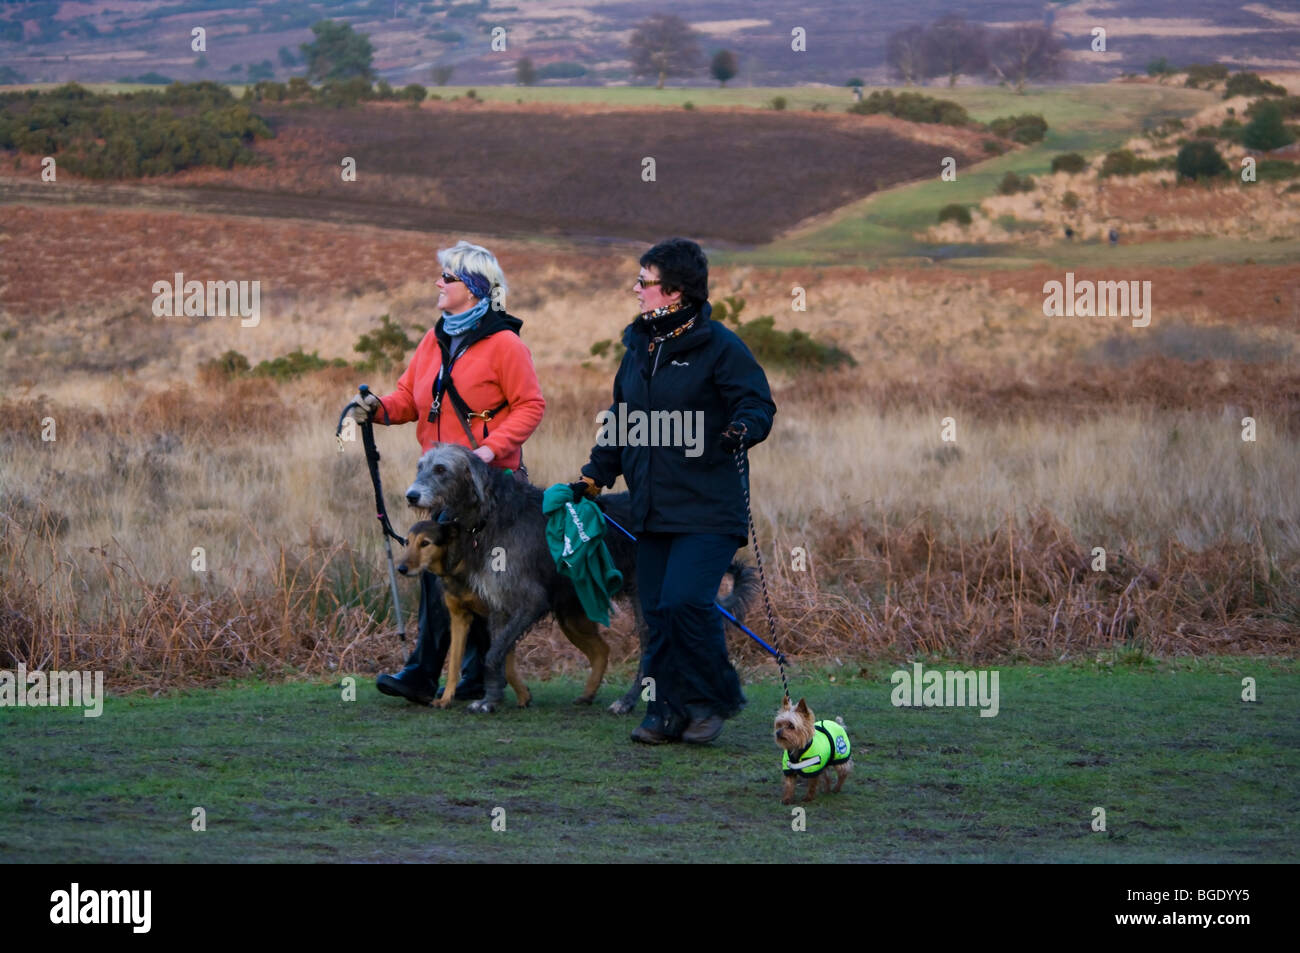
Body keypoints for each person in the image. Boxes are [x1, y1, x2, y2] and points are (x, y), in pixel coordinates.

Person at [571, 238, 776, 744]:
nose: (636, 289)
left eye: (645, 281)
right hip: (652, 510)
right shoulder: (638, 350)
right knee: (658, 613)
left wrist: (742, 428)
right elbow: (621, 421)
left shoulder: (720, 346)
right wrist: (595, 474)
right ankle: (665, 713)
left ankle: (713, 700)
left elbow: (757, 404)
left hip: (709, 507)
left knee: (686, 601)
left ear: (676, 292)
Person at [346, 240, 545, 705]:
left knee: (486, 582)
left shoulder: (505, 344)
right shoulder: (434, 339)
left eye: (448, 278)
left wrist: (488, 452)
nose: (438, 282)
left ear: (473, 289)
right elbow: (409, 399)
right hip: (442, 488)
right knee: (445, 575)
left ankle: (468, 676)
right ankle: (429, 674)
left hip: (489, 489)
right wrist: (376, 409)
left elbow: (531, 405)